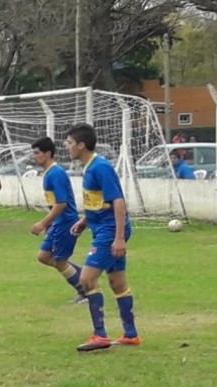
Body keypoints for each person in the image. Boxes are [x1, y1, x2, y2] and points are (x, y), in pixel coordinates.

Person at [66, 123, 140, 352]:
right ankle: (131, 334)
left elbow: (118, 201)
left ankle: (100, 335)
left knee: (87, 280)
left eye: (69, 143)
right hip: (102, 229)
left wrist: (118, 238)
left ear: (81, 145)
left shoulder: (100, 168)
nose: (67, 147)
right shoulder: (89, 167)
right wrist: (84, 221)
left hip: (110, 232)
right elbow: (99, 202)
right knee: (117, 283)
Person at [28, 137, 86, 304]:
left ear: (48, 154)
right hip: (59, 222)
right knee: (44, 256)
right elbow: (54, 202)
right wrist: (51, 222)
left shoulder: (56, 173)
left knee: (60, 261)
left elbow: (61, 204)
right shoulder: (49, 173)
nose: (34, 156)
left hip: (67, 222)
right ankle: (85, 278)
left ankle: (85, 291)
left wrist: (43, 223)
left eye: (37, 153)